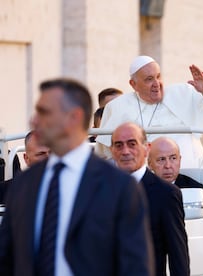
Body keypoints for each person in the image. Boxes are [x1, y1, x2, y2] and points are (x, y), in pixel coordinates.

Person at [0, 78, 155, 275]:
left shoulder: (119, 187)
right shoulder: (24, 183)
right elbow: (6, 259)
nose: (34, 121)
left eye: (44, 112)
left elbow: (135, 267)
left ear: (74, 117)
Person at [96, 55, 203, 171]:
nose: (156, 83)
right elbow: (107, 153)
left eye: (158, 77)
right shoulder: (118, 107)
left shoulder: (184, 93)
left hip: (195, 173)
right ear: (133, 84)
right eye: (149, 79)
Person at [111, 122, 190, 276]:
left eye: (132, 144)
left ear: (146, 148)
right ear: (112, 151)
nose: (125, 151)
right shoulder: (101, 189)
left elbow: (178, 254)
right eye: (119, 145)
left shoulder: (165, 193)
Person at [0, 131, 50, 204]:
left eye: (52, 153)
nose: (49, 158)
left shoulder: (69, 184)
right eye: (41, 154)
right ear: (26, 158)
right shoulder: (12, 188)